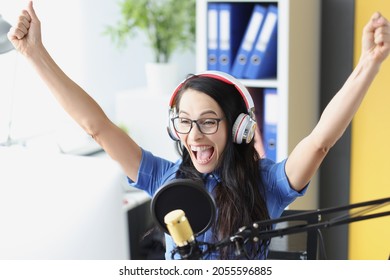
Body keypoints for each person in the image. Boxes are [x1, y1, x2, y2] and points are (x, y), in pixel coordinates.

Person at [8, 1, 390, 260]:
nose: (193, 135)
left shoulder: (267, 182)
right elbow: (97, 127)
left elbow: (320, 141)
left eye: (208, 121)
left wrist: (368, 65)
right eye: (184, 122)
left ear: (240, 128)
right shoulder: (162, 177)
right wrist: (35, 55)